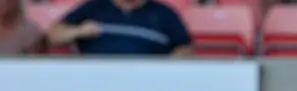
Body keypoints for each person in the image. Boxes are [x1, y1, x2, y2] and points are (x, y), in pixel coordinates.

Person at [48, 0, 192, 55]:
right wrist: (78, 31)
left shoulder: (164, 13)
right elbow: (53, 35)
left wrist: (166, 71)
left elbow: (185, 48)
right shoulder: (94, 7)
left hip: (148, 83)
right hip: (95, 80)